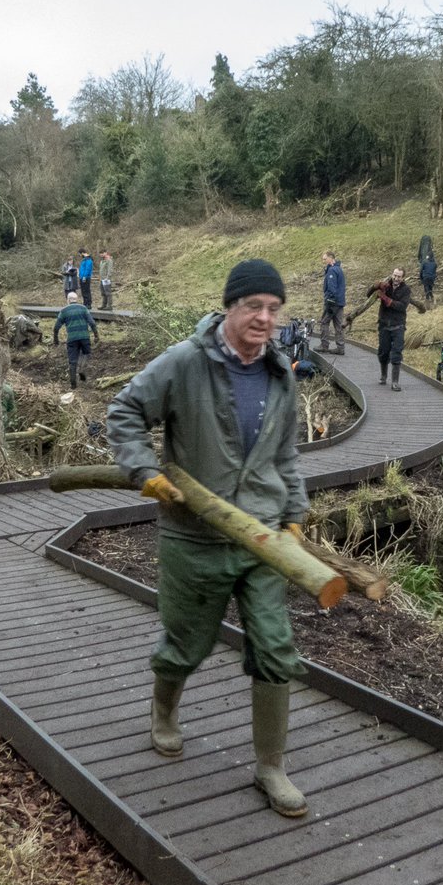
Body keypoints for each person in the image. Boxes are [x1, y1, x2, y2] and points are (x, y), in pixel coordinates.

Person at [106, 258, 310, 819]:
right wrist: (144, 471)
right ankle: (164, 712)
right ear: (230, 307)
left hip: (263, 541)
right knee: (185, 645)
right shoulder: (183, 363)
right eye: (253, 307)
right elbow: (124, 411)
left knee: (275, 647)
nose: (264, 318)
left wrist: (293, 512)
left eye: (273, 309)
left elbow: (286, 456)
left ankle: (271, 766)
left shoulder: (280, 374)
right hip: (193, 539)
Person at [370, 267, 411, 392]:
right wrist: (374, 286)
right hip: (384, 324)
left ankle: (395, 382)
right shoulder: (386, 286)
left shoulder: (406, 290)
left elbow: (402, 306)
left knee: (396, 352)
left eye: (399, 276)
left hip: (398, 325)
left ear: (403, 278)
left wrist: (387, 300)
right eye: (394, 275)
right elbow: (368, 295)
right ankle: (383, 376)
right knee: (383, 351)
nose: (396, 278)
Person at [53, 291, 100, 389]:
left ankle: (73, 385)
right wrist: (96, 336)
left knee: (72, 361)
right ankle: (82, 369)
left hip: (72, 339)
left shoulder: (64, 311)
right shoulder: (83, 308)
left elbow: (56, 327)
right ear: (77, 299)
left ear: (68, 300)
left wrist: (56, 340)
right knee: (86, 354)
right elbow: (92, 323)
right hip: (84, 337)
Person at [318, 250, 346, 355]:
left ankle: (324, 345)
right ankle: (340, 347)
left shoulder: (332, 271)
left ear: (331, 258)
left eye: (325, 259)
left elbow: (331, 288)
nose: (324, 261)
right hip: (340, 302)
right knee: (338, 325)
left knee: (324, 322)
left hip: (332, 302)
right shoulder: (339, 269)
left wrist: (329, 301)